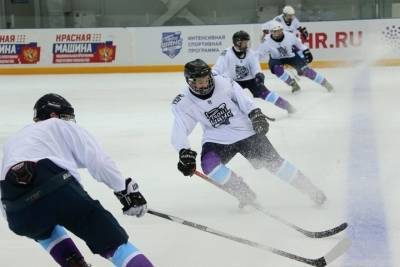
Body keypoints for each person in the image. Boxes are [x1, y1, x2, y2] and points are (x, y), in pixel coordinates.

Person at [0, 93, 153, 267]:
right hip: (56, 187)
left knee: (42, 229)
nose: (69, 121)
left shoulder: (14, 141)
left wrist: (17, 218)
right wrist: (124, 191)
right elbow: (98, 161)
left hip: (14, 207)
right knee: (114, 243)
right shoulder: (57, 125)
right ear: (53, 115)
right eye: (66, 117)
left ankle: (73, 262)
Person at [171, 59, 326, 209]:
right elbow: (180, 128)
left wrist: (254, 113)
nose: (205, 84)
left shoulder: (223, 82)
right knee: (209, 165)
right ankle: (244, 193)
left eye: (206, 79)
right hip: (216, 138)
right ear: (190, 82)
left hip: (245, 131)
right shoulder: (183, 102)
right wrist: (184, 151)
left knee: (274, 163)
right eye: (199, 82)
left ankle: (310, 189)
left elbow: (244, 99)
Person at [213, 30, 295, 114]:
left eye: (247, 42)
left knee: (265, 93)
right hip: (234, 82)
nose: (247, 44)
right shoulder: (226, 53)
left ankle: (287, 106)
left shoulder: (250, 53)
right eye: (245, 42)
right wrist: (212, 75)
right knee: (230, 99)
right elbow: (218, 67)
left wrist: (258, 75)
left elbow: (255, 67)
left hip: (251, 80)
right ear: (238, 42)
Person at [257, 21, 333, 93]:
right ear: (271, 32)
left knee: (306, 71)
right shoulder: (266, 42)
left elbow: (300, 45)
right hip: (276, 59)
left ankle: (325, 83)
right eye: (275, 31)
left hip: (291, 57)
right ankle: (293, 84)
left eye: (280, 30)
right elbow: (258, 55)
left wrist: (307, 51)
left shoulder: (289, 36)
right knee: (277, 69)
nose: (278, 33)